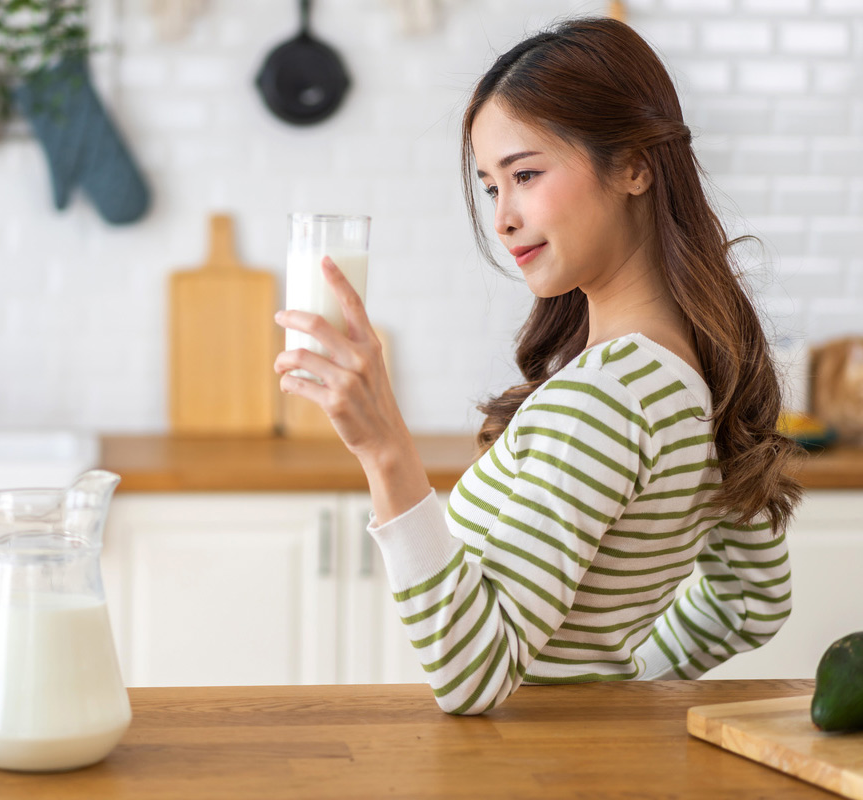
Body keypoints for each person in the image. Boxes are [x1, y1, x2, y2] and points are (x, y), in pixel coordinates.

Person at [273, 16, 803, 715]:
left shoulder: (603, 400)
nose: (503, 218)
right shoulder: (700, 369)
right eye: (493, 187)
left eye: (525, 174)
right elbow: (751, 602)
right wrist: (622, 684)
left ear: (636, 166)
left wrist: (385, 450)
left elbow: (473, 677)